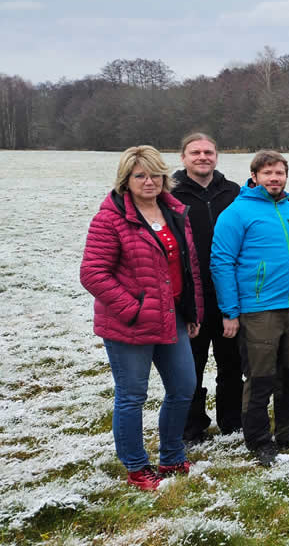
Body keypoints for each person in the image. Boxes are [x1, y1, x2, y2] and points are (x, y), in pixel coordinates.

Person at [80, 145, 202, 490]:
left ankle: (172, 455)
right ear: (126, 180)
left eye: (155, 174)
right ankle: (136, 466)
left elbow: (188, 268)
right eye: (140, 176)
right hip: (129, 324)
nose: (149, 182)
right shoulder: (111, 218)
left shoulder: (175, 211)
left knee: (183, 388)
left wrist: (192, 312)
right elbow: (93, 273)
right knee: (132, 395)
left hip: (172, 316)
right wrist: (132, 308)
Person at [211, 150, 289, 467]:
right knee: (260, 379)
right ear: (254, 176)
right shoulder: (237, 212)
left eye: (280, 173)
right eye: (268, 173)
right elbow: (221, 262)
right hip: (259, 310)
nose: (274, 178)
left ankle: (288, 431)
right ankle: (258, 440)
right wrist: (230, 311)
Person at [171, 132, 243, 443]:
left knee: (232, 363)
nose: (203, 157)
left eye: (209, 152)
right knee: (191, 366)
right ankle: (192, 427)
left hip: (228, 292)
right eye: (196, 152)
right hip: (189, 296)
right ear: (183, 158)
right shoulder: (170, 194)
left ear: (217, 156)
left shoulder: (233, 192)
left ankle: (232, 421)